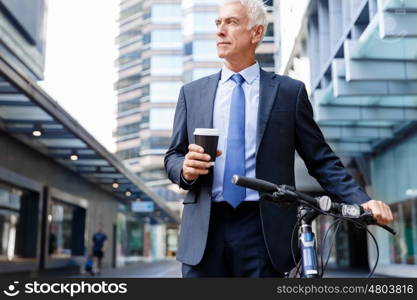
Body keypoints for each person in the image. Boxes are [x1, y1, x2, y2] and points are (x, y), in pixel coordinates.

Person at [164, 0, 393, 278]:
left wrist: (362, 201)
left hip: (264, 232)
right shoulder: (192, 93)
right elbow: (173, 156)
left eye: (231, 22)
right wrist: (185, 169)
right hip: (204, 230)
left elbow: (321, 160)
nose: (220, 31)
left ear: (257, 33)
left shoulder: (289, 92)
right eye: (218, 23)